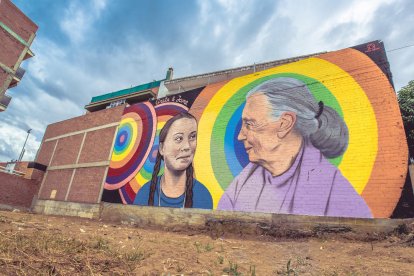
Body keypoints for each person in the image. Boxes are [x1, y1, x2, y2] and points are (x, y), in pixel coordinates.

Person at [218, 77, 372, 218]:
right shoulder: (244, 181)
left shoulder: (337, 194)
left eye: (249, 124)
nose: (240, 136)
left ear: (285, 123)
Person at [133, 112, 213, 209]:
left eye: (192, 137)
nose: (187, 146)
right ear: (162, 148)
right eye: (178, 138)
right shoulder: (144, 194)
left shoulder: (203, 195)